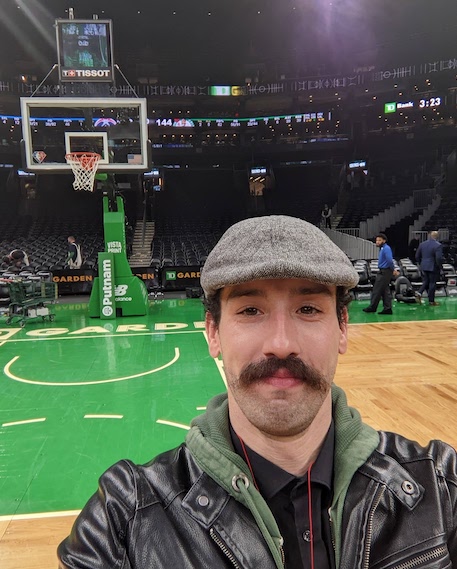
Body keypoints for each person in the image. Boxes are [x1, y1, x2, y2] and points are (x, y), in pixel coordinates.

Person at [58, 216, 457, 569]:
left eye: (308, 309)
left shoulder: (441, 488)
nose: (281, 344)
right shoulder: (124, 518)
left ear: (343, 328)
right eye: (250, 311)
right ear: (212, 333)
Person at [363, 232, 399, 315]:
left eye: (379, 240)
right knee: (385, 290)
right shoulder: (383, 248)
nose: (377, 242)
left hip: (385, 271)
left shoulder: (386, 248)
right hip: (384, 271)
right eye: (376, 240)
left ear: (384, 240)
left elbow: (390, 260)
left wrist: (393, 269)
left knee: (377, 289)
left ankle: (372, 307)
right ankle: (387, 308)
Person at [415, 230, 443, 306]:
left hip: (423, 265)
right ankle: (431, 301)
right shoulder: (438, 245)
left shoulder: (422, 244)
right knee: (432, 283)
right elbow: (439, 258)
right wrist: (440, 266)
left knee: (426, 281)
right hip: (433, 266)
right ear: (437, 237)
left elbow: (417, 256)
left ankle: (419, 293)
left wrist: (421, 263)